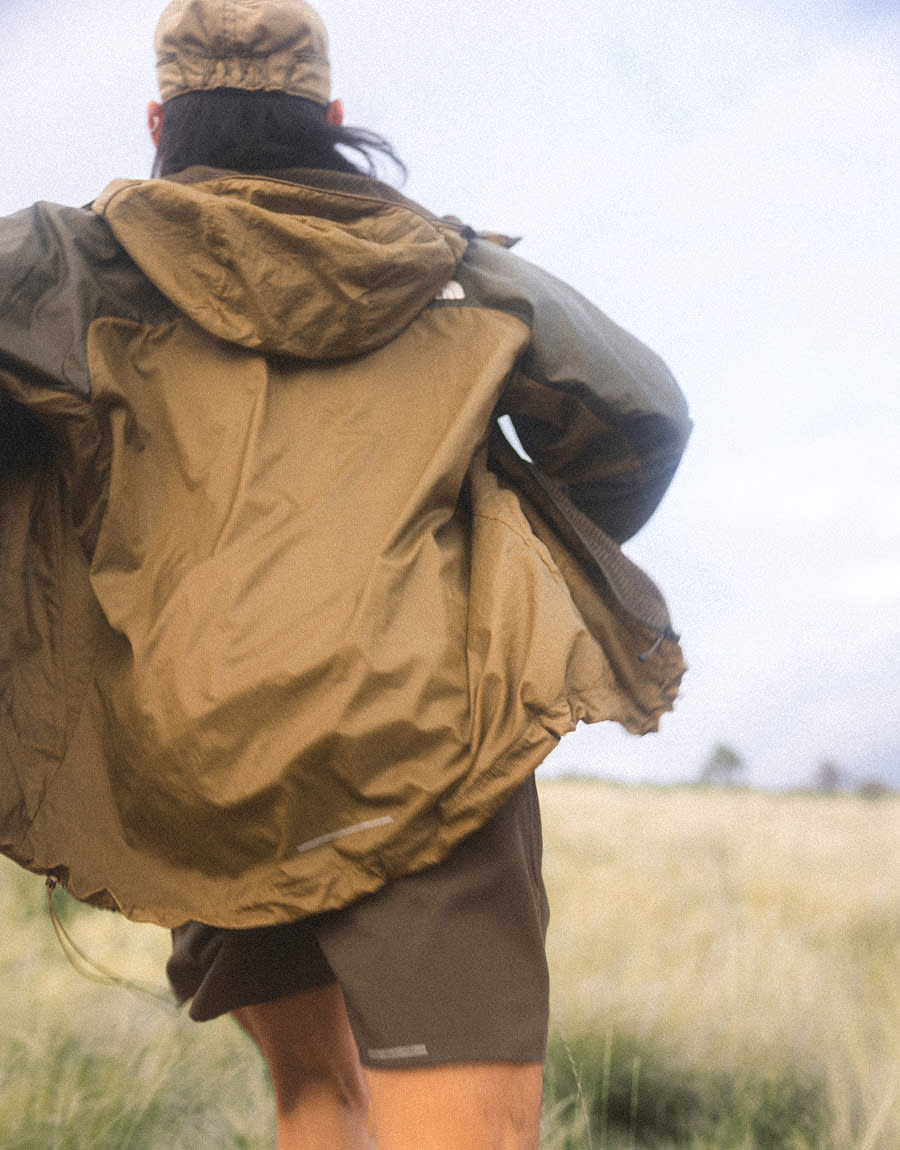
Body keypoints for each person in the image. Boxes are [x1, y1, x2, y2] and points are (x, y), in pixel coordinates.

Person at [0, 1, 691, 1146]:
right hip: (418, 746)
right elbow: (642, 407)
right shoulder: (447, 269)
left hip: (200, 760)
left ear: (160, 118)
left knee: (317, 1096)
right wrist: (510, 549)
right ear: (327, 116)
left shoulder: (63, 266)